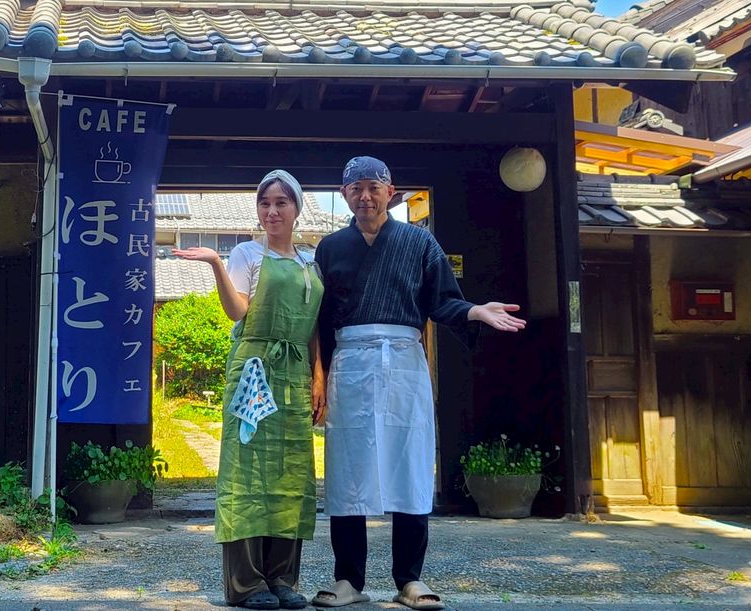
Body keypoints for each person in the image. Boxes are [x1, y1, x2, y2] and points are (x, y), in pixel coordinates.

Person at [311, 157, 526, 611]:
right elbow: (321, 320)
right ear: (344, 194)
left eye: (374, 187)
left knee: (409, 466)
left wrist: (475, 310)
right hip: (350, 363)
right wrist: (319, 375)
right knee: (347, 471)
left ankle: (409, 578)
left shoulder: (419, 242)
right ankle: (348, 579)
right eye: (356, 188)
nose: (365, 196)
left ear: (390, 192)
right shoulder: (329, 248)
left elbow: (443, 300)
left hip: (403, 363)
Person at [173, 170, 325, 611]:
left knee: (291, 474)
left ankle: (282, 579)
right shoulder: (246, 253)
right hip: (255, 370)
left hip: (295, 374)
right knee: (247, 475)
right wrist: (216, 265)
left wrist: (319, 376)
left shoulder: (310, 262)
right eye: (264, 203)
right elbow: (236, 309)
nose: (272, 211)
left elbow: (315, 326)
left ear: (297, 209)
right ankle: (246, 584)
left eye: (281, 202)